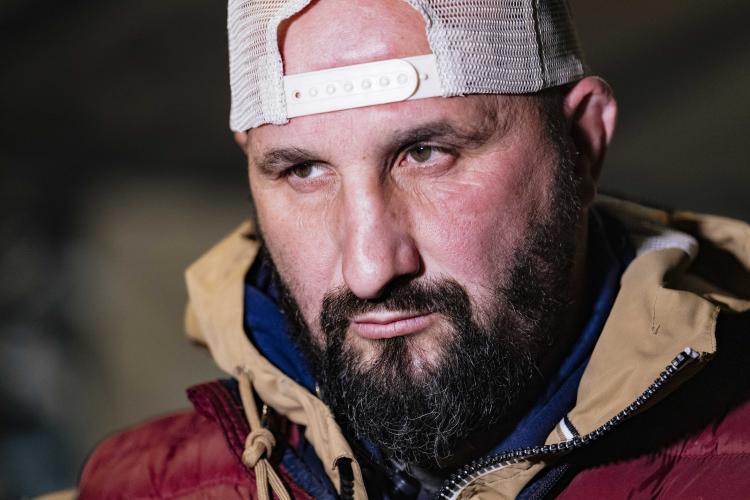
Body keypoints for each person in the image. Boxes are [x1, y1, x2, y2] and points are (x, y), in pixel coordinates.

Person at [75, 0, 750, 498]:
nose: (369, 269)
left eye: (426, 153)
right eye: (303, 170)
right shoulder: (137, 487)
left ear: (580, 144)